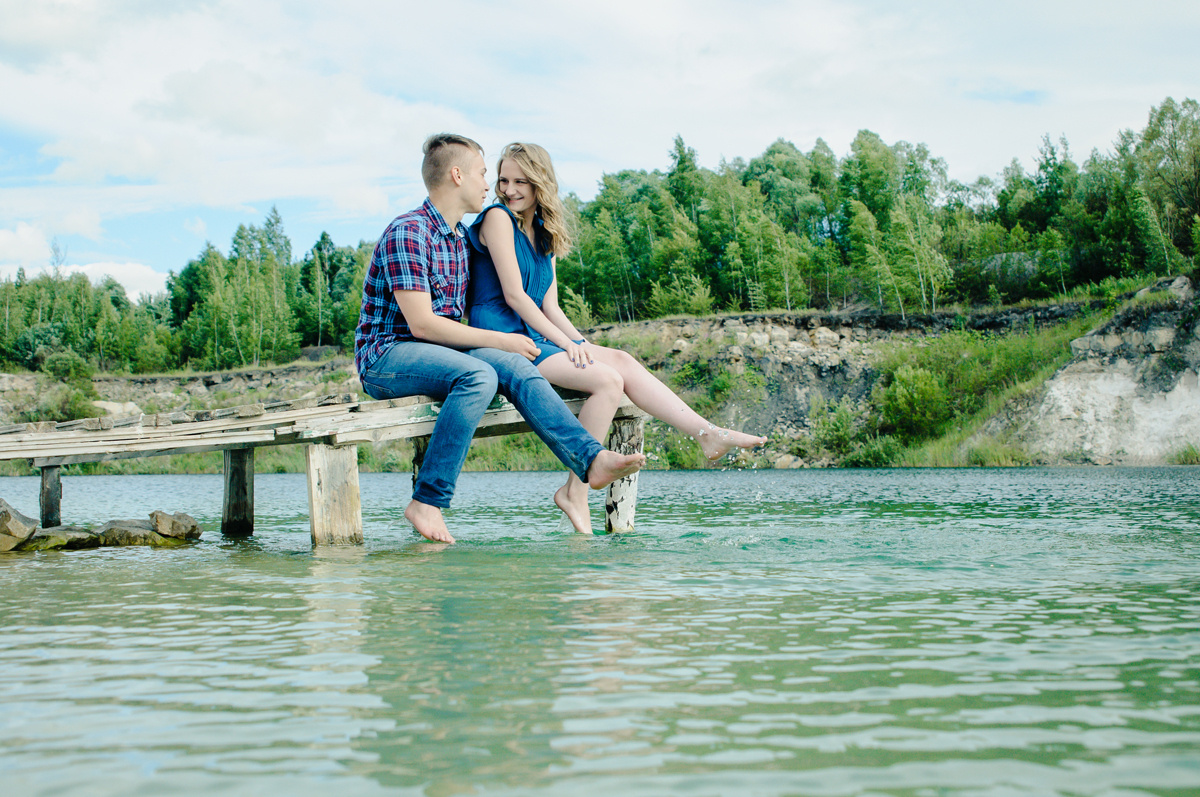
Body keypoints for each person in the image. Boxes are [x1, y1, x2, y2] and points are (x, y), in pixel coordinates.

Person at [355, 133, 645, 544]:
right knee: (479, 376)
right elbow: (422, 324)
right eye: (481, 173)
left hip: (442, 352)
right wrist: (501, 339)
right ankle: (427, 500)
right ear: (457, 175)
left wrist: (515, 345)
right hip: (387, 357)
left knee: (511, 365)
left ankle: (590, 459)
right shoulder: (410, 232)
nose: (488, 184)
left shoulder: (458, 239)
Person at [466, 142, 766, 534]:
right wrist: (569, 346)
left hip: (538, 332)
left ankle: (707, 434)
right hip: (504, 337)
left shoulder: (543, 234)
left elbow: (550, 304)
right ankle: (575, 490)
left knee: (619, 359)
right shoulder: (497, 220)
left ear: (541, 182)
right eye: (503, 179)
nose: (508, 189)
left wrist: (580, 341)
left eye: (520, 181)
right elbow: (515, 296)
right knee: (607, 381)